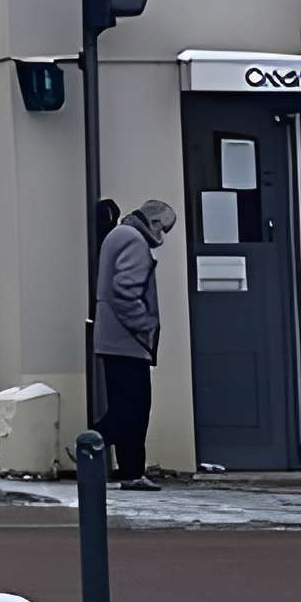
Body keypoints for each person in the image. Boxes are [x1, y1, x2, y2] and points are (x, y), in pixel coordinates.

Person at [94, 196, 177, 490]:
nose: (162, 235)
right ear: (153, 222)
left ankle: (130, 470)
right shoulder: (133, 240)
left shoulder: (120, 235)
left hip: (114, 339)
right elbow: (125, 292)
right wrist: (146, 326)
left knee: (125, 406)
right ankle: (89, 445)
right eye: (164, 227)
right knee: (134, 408)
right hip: (126, 340)